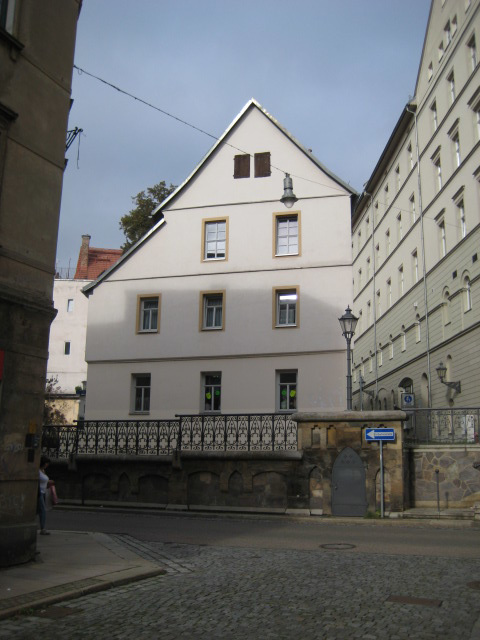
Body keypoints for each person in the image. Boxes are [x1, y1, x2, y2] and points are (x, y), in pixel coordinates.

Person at [38, 455, 53, 535]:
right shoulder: (38, 471)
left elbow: (44, 480)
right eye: (47, 463)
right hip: (39, 492)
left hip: (43, 492)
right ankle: (43, 529)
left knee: (39, 510)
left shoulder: (43, 470)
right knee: (43, 510)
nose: (47, 465)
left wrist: (49, 482)